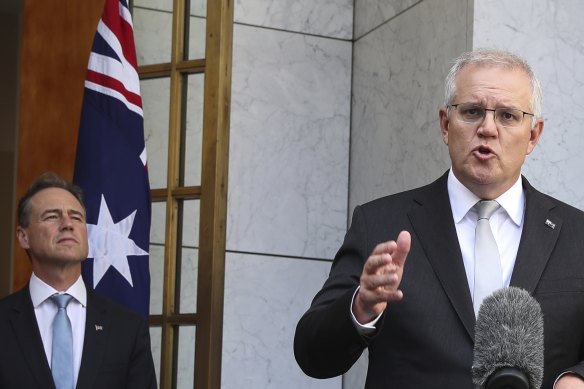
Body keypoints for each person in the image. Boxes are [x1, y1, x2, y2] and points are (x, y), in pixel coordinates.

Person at [294, 49, 584, 388]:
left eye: (507, 116)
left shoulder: (577, 236)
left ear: (533, 135)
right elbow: (313, 355)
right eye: (472, 112)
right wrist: (361, 305)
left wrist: (576, 377)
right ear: (446, 124)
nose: (487, 129)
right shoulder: (381, 223)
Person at [0, 172, 157, 389]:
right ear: (23, 237)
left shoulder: (127, 328)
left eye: (76, 217)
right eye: (52, 216)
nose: (67, 224)